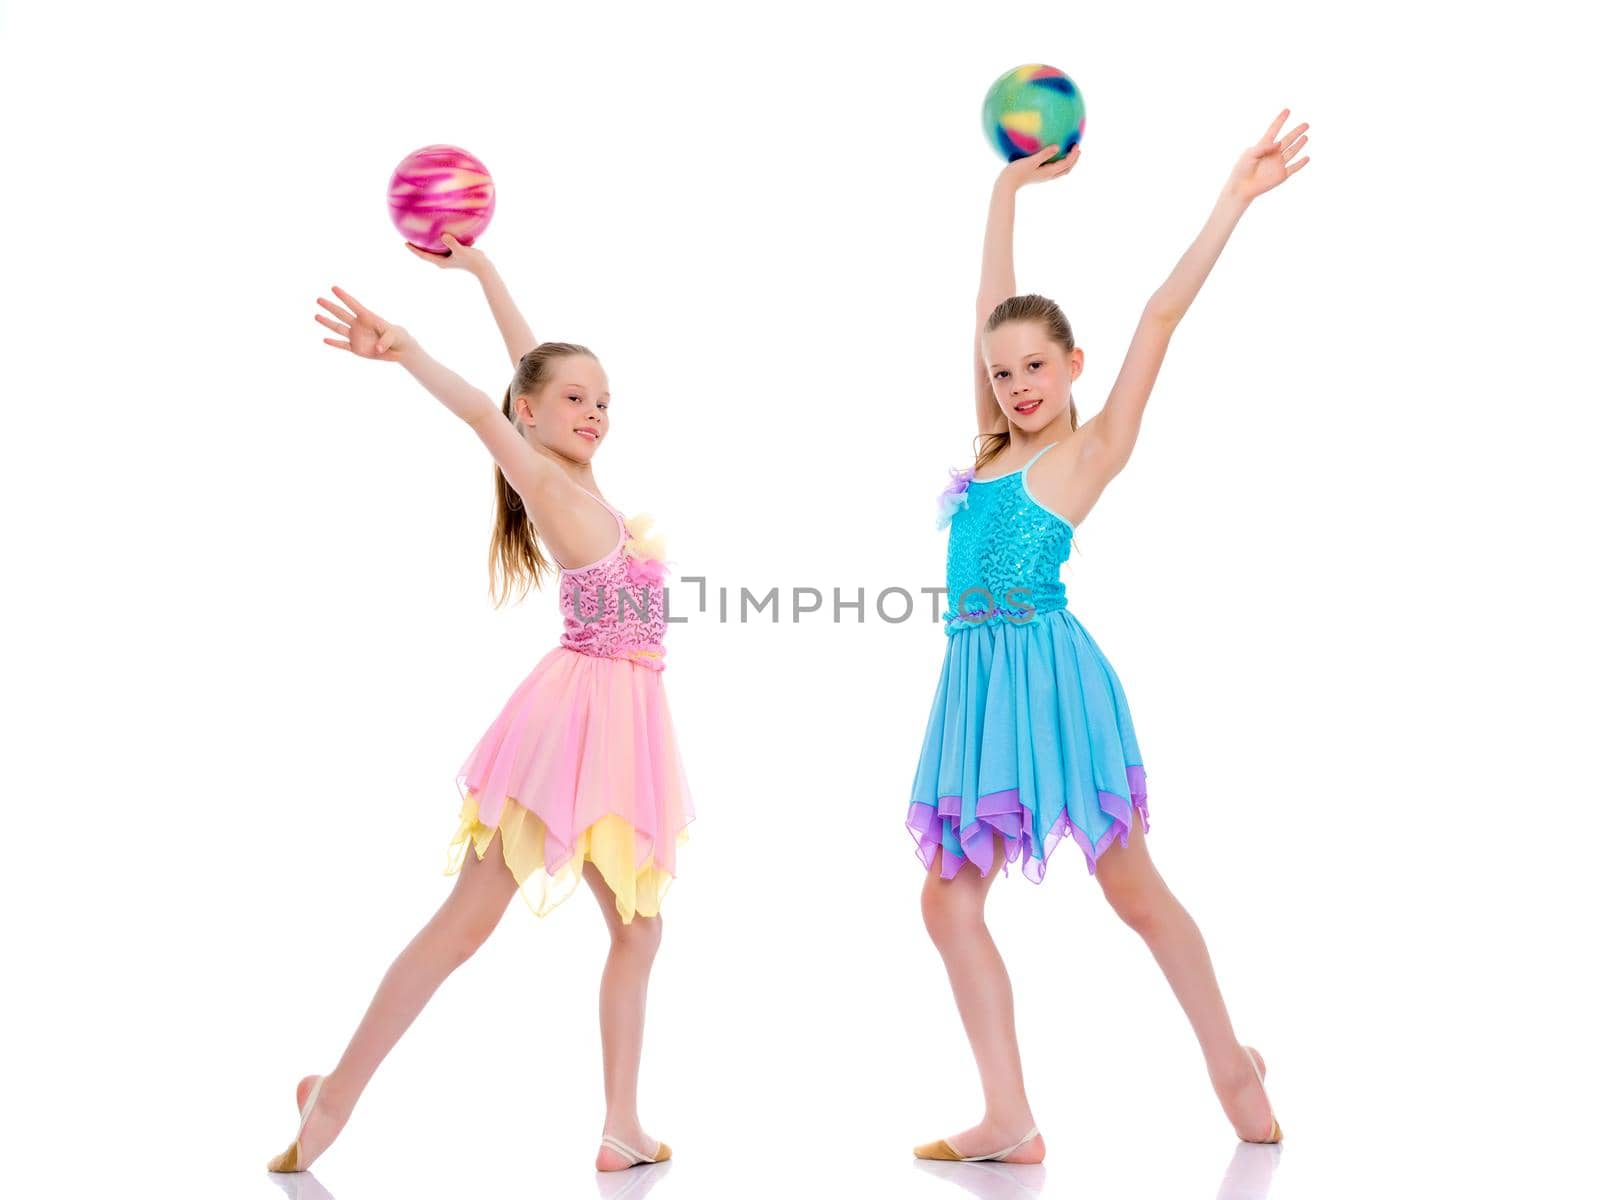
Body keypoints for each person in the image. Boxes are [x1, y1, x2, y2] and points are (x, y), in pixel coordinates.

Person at [908, 110, 1310, 1163]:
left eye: (1037, 366)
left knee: (1131, 888)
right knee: (946, 904)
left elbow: (1161, 315)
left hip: (1048, 682)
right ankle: (1010, 1116)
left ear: (1073, 363)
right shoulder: (990, 447)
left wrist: (1232, 198)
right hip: (974, 692)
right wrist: (1004, 194)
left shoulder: (1085, 454)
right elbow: (988, 313)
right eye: (1002, 373)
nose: (1018, 385)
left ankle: (1229, 1060)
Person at [267, 239, 693, 1175]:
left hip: (621, 730)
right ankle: (335, 1096)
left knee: (638, 927)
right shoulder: (543, 479)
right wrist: (409, 347)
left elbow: (528, 370)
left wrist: (485, 273)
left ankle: (622, 1125)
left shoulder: (578, 477)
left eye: (605, 400)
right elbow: (484, 407)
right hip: (573, 726)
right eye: (576, 401)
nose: (596, 413)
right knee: (468, 922)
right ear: (531, 419)